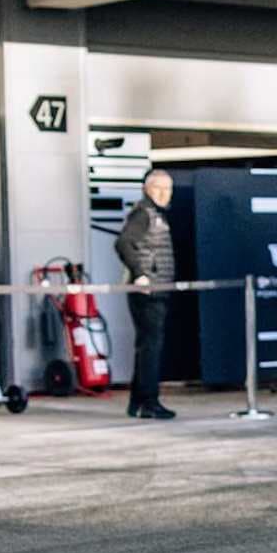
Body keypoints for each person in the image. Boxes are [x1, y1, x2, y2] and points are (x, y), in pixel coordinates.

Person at [114, 169, 177, 419]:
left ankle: (138, 402)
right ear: (146, 189)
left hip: (157, 289)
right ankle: (149, 402)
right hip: (148, 292)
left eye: (167, 189)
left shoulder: (156, 214)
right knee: (151, 347)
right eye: (157, 188)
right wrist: (140, 274)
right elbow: (123, 243)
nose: (163, 193)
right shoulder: (144, 213)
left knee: (146, 346)